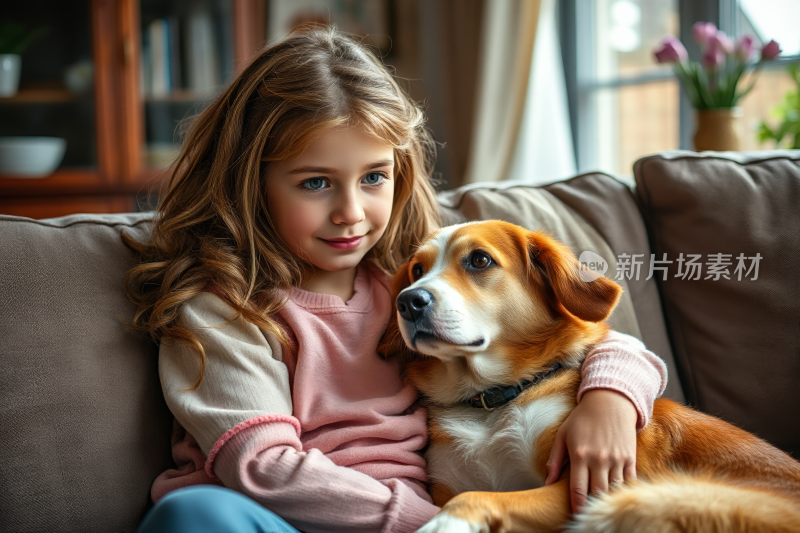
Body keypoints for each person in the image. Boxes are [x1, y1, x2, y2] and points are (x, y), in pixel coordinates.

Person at [125, 26, 667, 533]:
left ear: (400, 173)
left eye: (373, 177)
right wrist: (430, 520)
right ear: (249, 182)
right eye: (316, 182)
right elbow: (262, 467)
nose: (351, 212)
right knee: (194, 513)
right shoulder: (222, 309)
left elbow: (606, 340)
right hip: (288, 518)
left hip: (433, 516)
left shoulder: (409, 282)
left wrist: (610, 400)